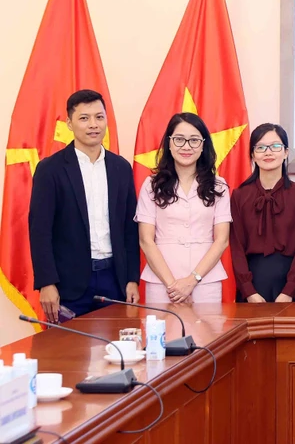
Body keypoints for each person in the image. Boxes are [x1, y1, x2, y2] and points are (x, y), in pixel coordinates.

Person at [29, 90, 140, 322]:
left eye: (99, 117)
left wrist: (132, 279)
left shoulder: (121, 168)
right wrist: (47, 283)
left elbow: (130, 229)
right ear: (69, 123)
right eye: (84, 118)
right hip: (69, 284)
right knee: (69, 355)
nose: (93, 125)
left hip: (114, 280)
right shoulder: (50, 169)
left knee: (118, 352)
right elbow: (40, 231)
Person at [135, 112, 232, 304]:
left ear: (203, 145)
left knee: (208, 334)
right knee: (164, 334)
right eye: (179, 139)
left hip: (206, 281)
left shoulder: (218, 185)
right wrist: (173, 286)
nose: (186, 146)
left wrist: (191, 281)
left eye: (194, 140)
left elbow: (222, 240)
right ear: (169, 143)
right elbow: (146, 240)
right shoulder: (151, 185)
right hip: (162, 282)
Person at [230, 123, 295, 303]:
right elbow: (236, 247)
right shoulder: (239, 195)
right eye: (260, 147)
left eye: (275, 146)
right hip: (252, 284)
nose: (268, 152)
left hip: (292, 284)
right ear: (252, 154)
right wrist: (248, 291)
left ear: (286, 152)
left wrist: (290, 290)